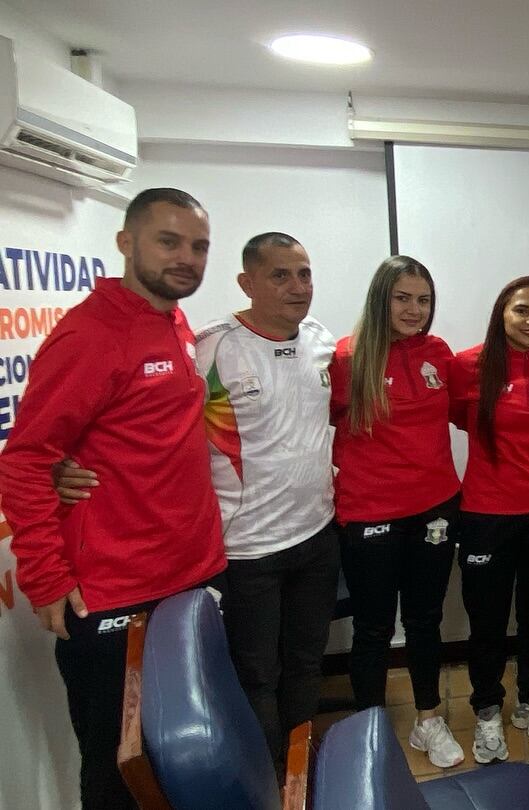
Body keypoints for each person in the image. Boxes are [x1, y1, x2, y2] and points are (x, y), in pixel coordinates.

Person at [0, 188, 228, 810]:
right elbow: (24, 459)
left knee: (185, 755)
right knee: (118, 771)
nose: (186, 257)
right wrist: (45, 579)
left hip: (191, 576)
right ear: (126, 242)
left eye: (199, 245)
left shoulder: (173, 320)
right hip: (117, 594)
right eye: (169, 240)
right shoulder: (92, 334)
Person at [190, 231, 339, 771]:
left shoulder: (321, 340)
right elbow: (161, 428)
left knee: (305, 662)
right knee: (256, 673)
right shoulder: (213, 348)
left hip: (318, 537)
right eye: (281, 275)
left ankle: (298, 768)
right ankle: (264, 777)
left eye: (304, 274)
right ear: (246, 283)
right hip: (247, 550)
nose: (298, 287)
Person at [328, 256, 464, 767]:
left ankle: (428, 720)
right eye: (402, 298)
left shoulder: (438, 353)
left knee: (426, 622)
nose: (414, 309)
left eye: (423, 299)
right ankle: (371, 733)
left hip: (434, 508)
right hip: (370, 515)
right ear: (381, 298)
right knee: (373, 628)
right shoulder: (348, 357)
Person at [451, 276, 529, 763]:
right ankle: (485, 709)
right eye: (522, 310)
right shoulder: (467, 365)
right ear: (502, 311)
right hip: (486, 512)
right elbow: (457, 418)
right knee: (487, 621)